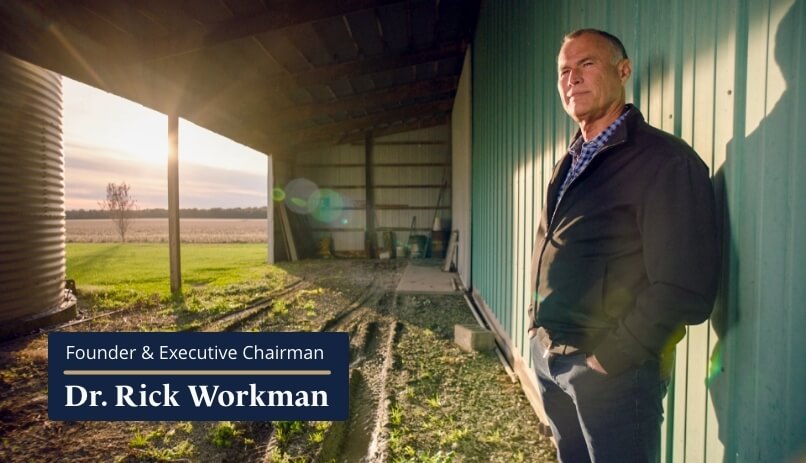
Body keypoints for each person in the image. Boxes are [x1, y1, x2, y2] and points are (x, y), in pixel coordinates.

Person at [528, 29, 720, 462]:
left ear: (623, 70)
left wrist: (610, 359)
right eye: (564, 71)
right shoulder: (572, 159)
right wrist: (537, 330)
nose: (571, 78)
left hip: (612, 374)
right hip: (551, 357)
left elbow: (684, 288)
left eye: (586, 64)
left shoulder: (664, 161)